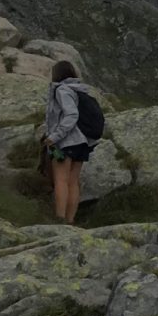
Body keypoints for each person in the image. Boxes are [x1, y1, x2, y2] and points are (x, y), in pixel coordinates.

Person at [43, 59, 99, 223]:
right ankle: (70, 220)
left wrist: (54, 137)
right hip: (83, 142)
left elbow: (71, 115)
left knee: (61, 179)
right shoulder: (80, 90)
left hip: (67, 141)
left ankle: (60, 219)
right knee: (73, 181)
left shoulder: (62, 90)